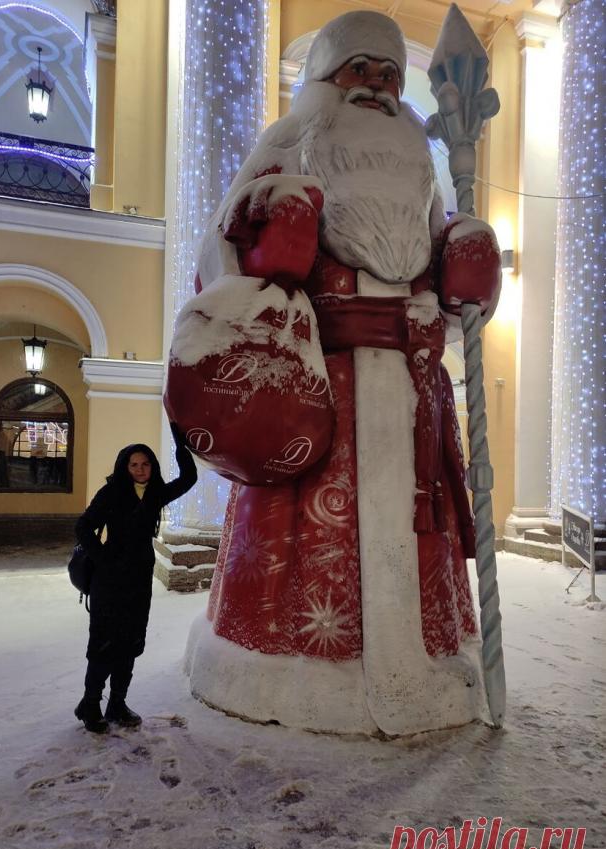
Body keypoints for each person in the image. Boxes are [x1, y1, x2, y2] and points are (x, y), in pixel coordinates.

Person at [180, 10, 502, 737]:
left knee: (417, 519)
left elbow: (440, 284)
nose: (381, 87)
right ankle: (289, 668)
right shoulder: (289, 143)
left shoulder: (419, 168)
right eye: (362, 69)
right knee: (308, 525)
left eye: (391, 75)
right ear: (327, 78)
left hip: (414, 387)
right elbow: (221, 255)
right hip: (321, 393)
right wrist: (269, 232)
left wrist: (462, 269)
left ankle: (430, 657)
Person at [74, 426, 197, 733]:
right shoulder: (112, 493)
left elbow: (189, 479)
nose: (140, 470)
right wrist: (103, 559)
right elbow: (83, 527)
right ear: (125, 467)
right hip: (109, 581)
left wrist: (181, 444)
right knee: (104, 643)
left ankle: (117, 703)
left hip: (139, 581)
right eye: (134, 465)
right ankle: (91, 704)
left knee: (129, 642)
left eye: (145, 464)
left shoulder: (155, 493)